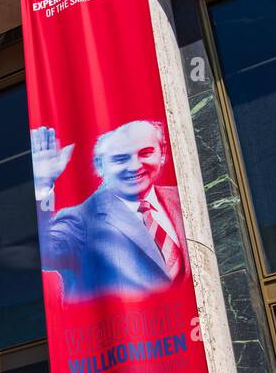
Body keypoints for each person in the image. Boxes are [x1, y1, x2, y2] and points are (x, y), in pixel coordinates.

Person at [32, 119, 186, 300]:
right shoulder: (81, 219)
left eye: (146, 153)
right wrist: (42, 185)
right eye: (120, 159)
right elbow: (46, 252)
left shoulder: (181, 198)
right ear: (99, 165)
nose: (135, 166)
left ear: (162, 152)